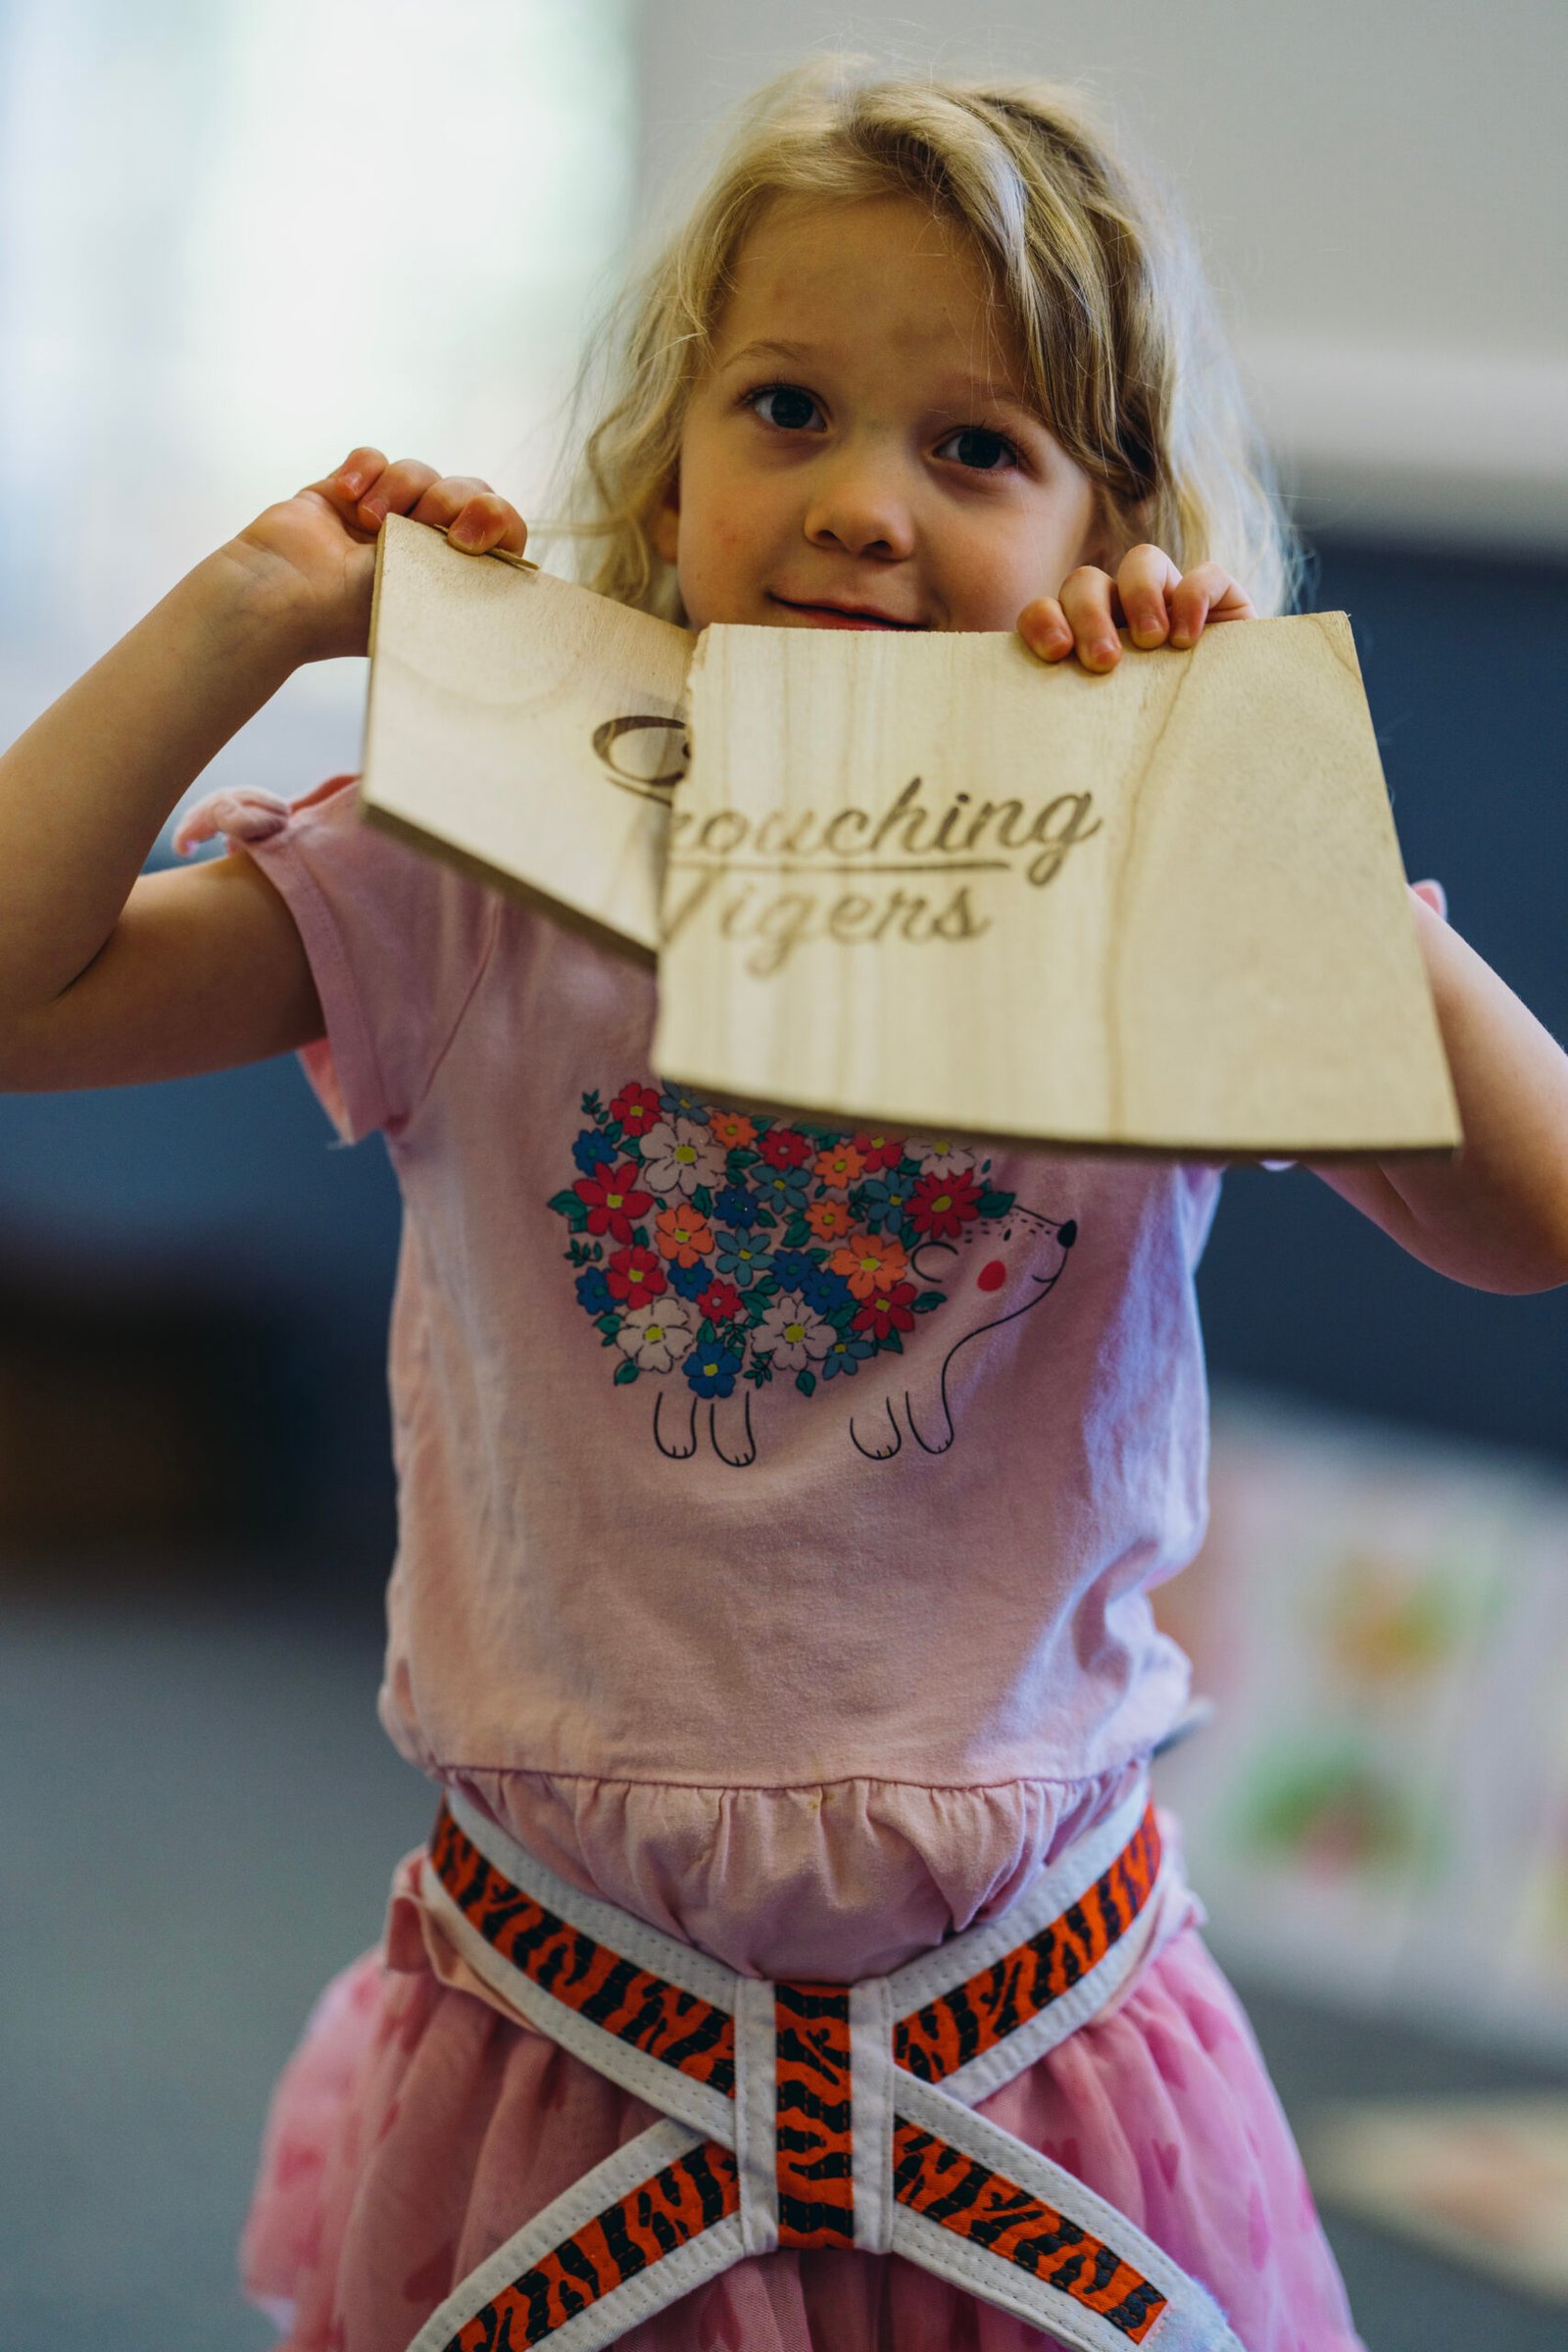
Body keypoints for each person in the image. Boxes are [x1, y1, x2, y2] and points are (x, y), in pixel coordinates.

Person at [4, 55, 1566, 2352]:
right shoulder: (476, 866)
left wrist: (1256, 806)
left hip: (1039, 2048)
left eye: (973, 447)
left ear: (1109, 526)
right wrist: (250, 608)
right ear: (663, 458)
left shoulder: (1164, 891)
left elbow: (1524, 1216)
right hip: (570, 2025)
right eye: (784, 408)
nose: (854, 503)